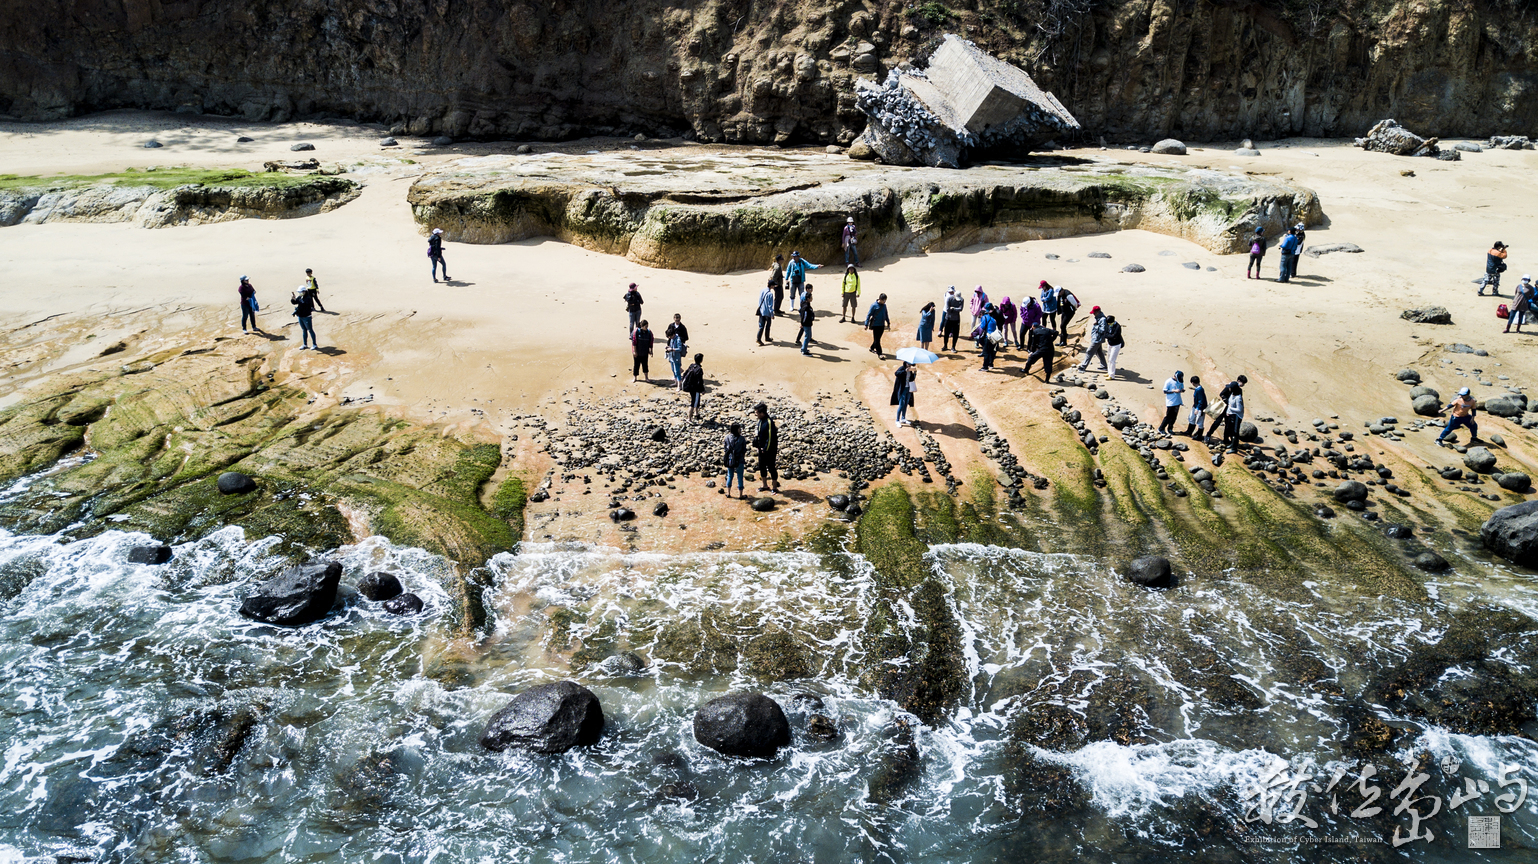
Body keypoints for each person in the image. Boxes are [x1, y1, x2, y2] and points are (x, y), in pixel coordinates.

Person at [1204, 375, 1247, 442]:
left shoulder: (1239, 390)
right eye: (1243, 383)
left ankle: (1226, 439)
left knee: (1228, 425)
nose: (1243, 385)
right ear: (1238, 381)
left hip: (1230, 410)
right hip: (1224, 408)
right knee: (1217, 422)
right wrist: (1227, 401)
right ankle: (1208, 434)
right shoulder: (1229, 386)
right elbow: (1222, 394)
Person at [752, 402, 780, 493]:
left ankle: (774, 487)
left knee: (771, 467)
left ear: (762, 413)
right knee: (762, 466)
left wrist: (765, 448)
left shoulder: (769, 422)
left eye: (757, 412)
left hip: (770, 450)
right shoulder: (760, 421)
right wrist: (758, 445)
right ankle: (764, 485)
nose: (756, 414)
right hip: (761, 449)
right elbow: (759, 434)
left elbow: (770, 437)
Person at [1077, 306, 1107, 372]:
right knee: (1099, 352)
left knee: (1089, 352)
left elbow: (1103, 330)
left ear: (1098, 312)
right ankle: (1104, 366)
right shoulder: (1098, 318)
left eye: (1094, 313)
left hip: (1097, 339)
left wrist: (1096, 325)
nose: (1093, 314)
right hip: (1096, 338)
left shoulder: (1102, 319)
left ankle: (1083, 366)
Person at [723, 422, 748, 498]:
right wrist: (742, 457)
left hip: (730, 459)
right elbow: (744, 450)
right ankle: (740, 495)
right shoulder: (741, 439)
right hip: (739, 459)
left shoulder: (727, 437)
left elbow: (725, 449)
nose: (740, 430)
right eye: (739, 428)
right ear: (737, 429)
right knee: (740, 476)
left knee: (730, 475)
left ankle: (728, 493)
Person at [291, 282, 318, 349]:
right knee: (304, 330)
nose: (299, 293)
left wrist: (298, 301)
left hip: (306, 317)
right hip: (300, 316)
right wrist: (293, 299)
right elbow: (295, 302)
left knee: (310, 330)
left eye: (300, 292)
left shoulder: (308, 298)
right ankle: (305, 344)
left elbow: (304, 304)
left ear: (304, 291)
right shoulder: (300, 297)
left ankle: (314, 344)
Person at [1222, 377, 1245, 452]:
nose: (1229, 389)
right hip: (1231, 415)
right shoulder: (1232, 394)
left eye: (1230, 388)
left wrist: (1230, 409)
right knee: (1230, 430)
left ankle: (1234, 448)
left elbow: (1239, 409)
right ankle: (1232, 444)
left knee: (1235, 432)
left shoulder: (1238, 398)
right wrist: (1228, 412)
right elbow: (1229, 404)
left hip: (1237, 416)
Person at [681, 353, 706, 421]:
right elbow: (700, 381)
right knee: (693, 402)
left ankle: (696, 414)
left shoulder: (692, 366)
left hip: (690, 386)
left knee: (696, 400)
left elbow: (685, 374)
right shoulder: (699, 369)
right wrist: (702, 390)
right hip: (695, 388)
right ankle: (689, 418)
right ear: (701, 360)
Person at [865, 293, 890, 357]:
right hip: (875, 325)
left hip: (882, 325)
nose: (884, 302)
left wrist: (888, 322)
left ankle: (872, 348)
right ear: (880, 299)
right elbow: (869, 315)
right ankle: (880, 353)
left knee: (878, 338)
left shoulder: (884, 306)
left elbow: (886, 314)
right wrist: (866, 324)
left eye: (885, 301)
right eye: (883, 300)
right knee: (877, 339)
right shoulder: (874, 305)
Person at [977, 303, 1001, 371]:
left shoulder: (984, 317)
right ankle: (991, 364)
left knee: (985, 352)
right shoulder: (993, 319)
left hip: (988, 337)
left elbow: (982, 327)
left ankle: (985, 367)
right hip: (994, 337)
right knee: (991, 351)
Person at [892, 361, 917, 426]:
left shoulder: (910, 370)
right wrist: (905, 371)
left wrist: (914, 373)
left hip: (908, 388)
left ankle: (903, 418)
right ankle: (897, 420)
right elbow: (896, 373)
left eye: (910, 364)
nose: (909, 365)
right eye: (908, 363)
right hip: (902, 389)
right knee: (901, 404)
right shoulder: (902, 368)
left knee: (906, 403)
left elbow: (911, 379)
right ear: (905, 363)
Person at [941, 287, 964, 351]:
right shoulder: (949, 299)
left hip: (956, 319)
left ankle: (953, 347)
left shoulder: (961, 300)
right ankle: (945, 345)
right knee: (946, 333)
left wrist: (953, 308)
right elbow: (948, 309)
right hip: (949, 318)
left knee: (956, 334)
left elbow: (961, 309)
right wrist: (955, 309)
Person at [1104, 314, 1125, 379]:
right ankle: (1109, 372)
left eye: (1110, 323)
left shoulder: (1117, 327)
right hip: (1110, 343)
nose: (1109, 324)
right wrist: (1109, 336)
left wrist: (1108, 336)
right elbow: (1105, 333)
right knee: (1109, 359)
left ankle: (1112, 375)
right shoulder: (1108, 325)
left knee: (1112, 360)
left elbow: (1114, 336)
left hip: (1116, 345)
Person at [797, 288, 816, 355]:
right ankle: (804, 350)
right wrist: (802, 323)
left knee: (808, 336)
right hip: (806, 324)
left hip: (808, 323)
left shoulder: (805, 304)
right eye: (811, 297)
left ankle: (804, 348)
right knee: (807, 337)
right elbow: (804, 316)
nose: (812, 298)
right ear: (808, 299)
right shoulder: (806, 306)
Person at [757, 280, 776, 345]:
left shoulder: (762, 290)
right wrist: (772, 314)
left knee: (761, 326)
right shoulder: (770, 294)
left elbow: (759, 300)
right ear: (771, 286)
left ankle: (758, 338)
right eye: (773, 285)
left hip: (761, 311)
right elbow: (770, 306)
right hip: (767, 312)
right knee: (768, 325)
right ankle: (767, 337)